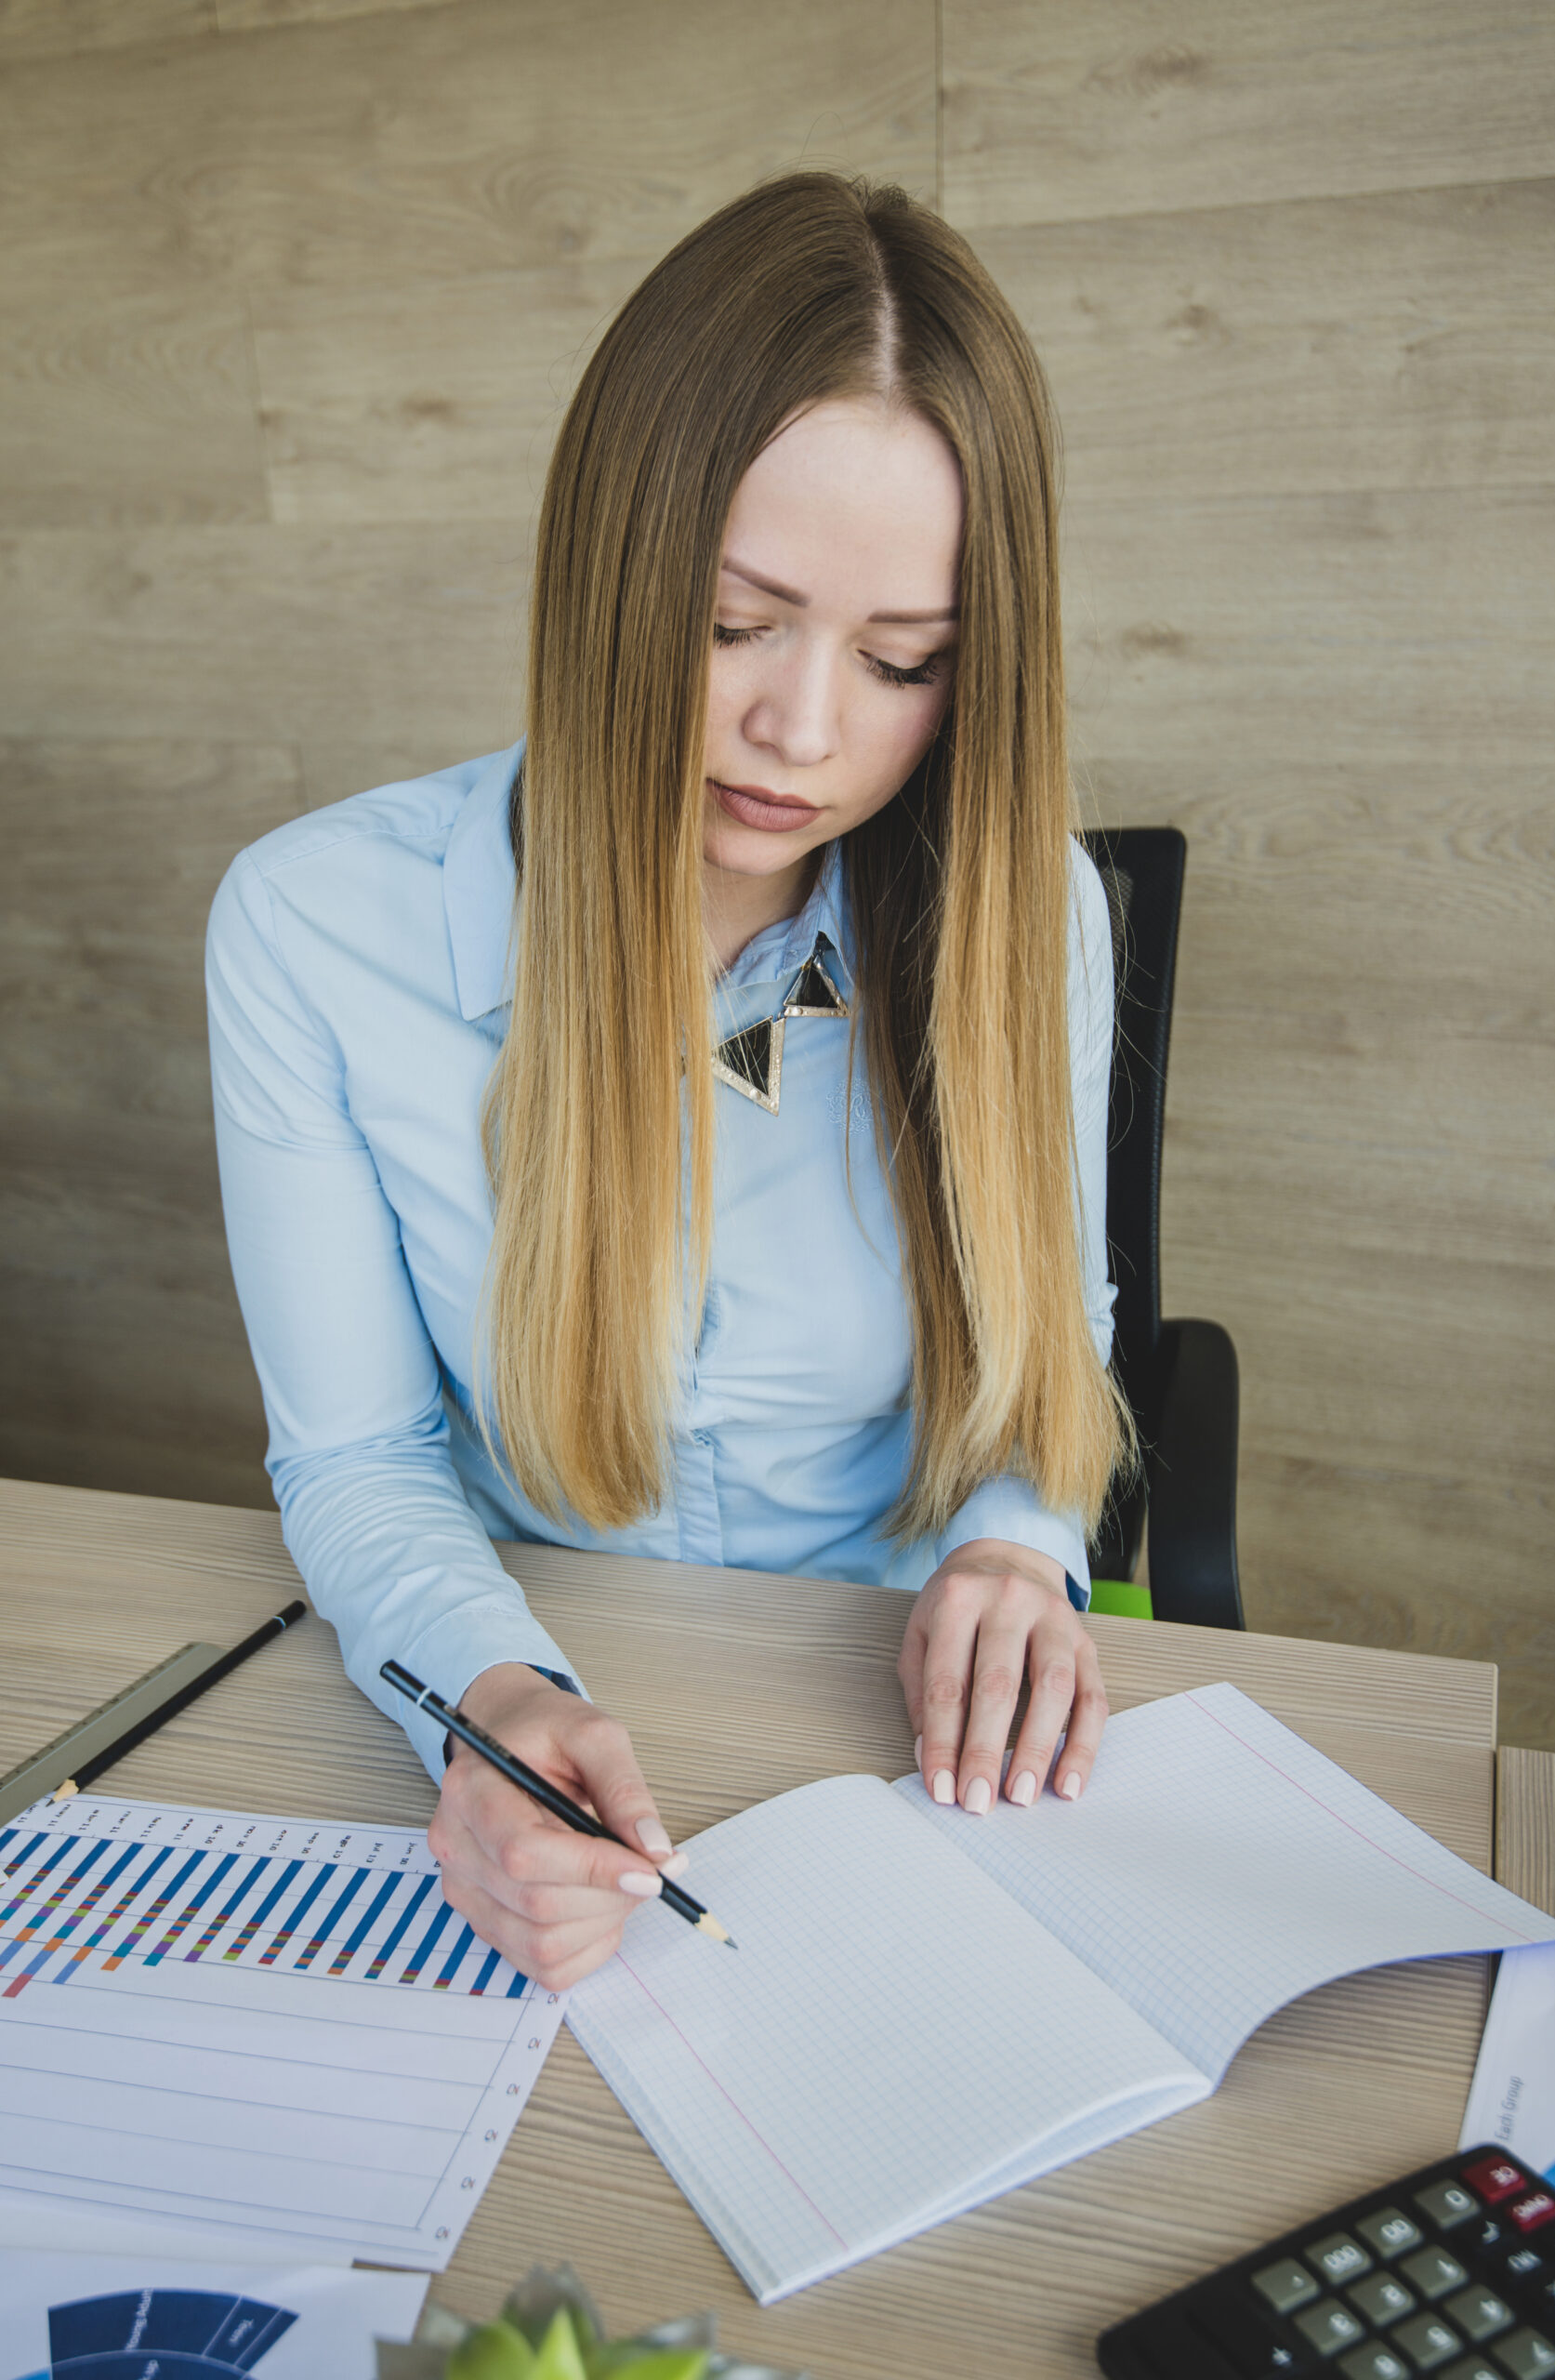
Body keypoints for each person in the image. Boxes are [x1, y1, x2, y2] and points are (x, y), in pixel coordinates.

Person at [206, 171, 1132, 1993]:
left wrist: (1019, 1555)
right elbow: (362, 1454)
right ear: (616, 570)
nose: (807, 733)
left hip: (902, 1734)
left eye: (905, 661)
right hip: (545, 1653)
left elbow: (1054, 1342)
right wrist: (491, 1693)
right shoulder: (312, 927)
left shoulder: (1041, 918)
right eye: (735, 623)